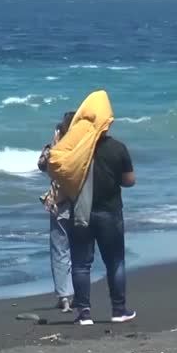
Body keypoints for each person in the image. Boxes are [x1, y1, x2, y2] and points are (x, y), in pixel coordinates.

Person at [68, 130, 136, 325]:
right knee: (115, 262)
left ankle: (84, 313)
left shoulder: (77, 147)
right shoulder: (117, 147)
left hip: (81, 210)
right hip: (110, 210)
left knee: (81, 263)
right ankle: (118, 310)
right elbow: (129, 181)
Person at [38, 111, 76, 313]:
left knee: (60, 250)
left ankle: (64, 298)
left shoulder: (58, 146)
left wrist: (53, 141)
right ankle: (80, 293)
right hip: (80, 202)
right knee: (80, 250)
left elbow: (42, 164)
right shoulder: (84, 145)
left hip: (59, 202)